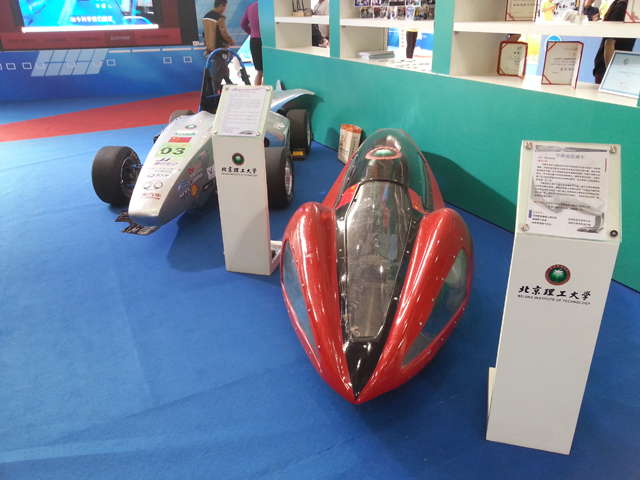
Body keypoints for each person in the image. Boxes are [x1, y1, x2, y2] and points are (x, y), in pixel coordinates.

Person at [593, 0, 636, 84]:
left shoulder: (629, 11)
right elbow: (609, 43)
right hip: (608, 69)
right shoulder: (621, 9)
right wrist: (612, 73)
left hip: (620, 68)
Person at [203, 0, 236, 93]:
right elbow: (223, 33)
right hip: (219, 47)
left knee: (223, 68)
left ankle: (230, 85)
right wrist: (231, 41)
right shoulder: (219, 18)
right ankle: (214, 91)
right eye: (225, 7)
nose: (225, 9)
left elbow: (205, 33)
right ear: (221, 6)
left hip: (210, 46)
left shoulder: (206, 16)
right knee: (218, 71)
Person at [241, 1, 263, 85]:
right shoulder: (269, 7)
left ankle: (257, 92)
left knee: (259, 72)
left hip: (254, 41)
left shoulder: (250, 7)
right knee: (267, 71)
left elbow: (243, 24)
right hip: (267, 40)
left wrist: (252, 32)